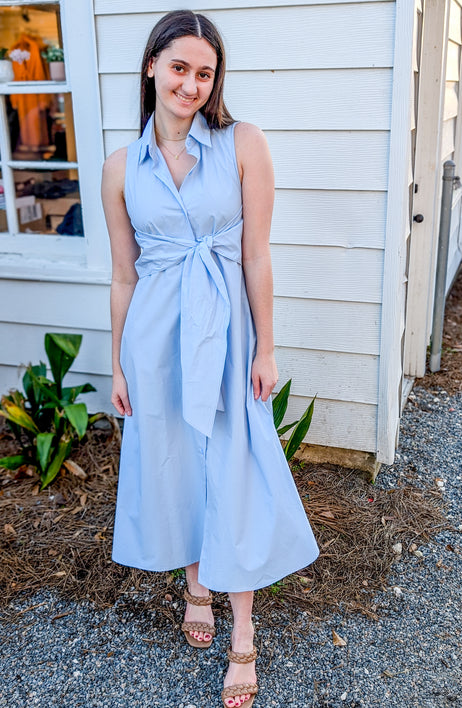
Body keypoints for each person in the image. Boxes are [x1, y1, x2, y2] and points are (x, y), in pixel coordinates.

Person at [101, 10, 319, 708]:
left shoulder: (243, 143)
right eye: (178, 68)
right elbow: (123, 276)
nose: (190, 84)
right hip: (156, 335)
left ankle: (243, 631)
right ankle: (196, 584)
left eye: (204, 72)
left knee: (233, 466)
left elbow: (255, 254)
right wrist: (117, 364)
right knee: (175, 462)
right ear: (151, 68)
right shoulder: (118, 167)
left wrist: (266, 344)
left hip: (225, 335)